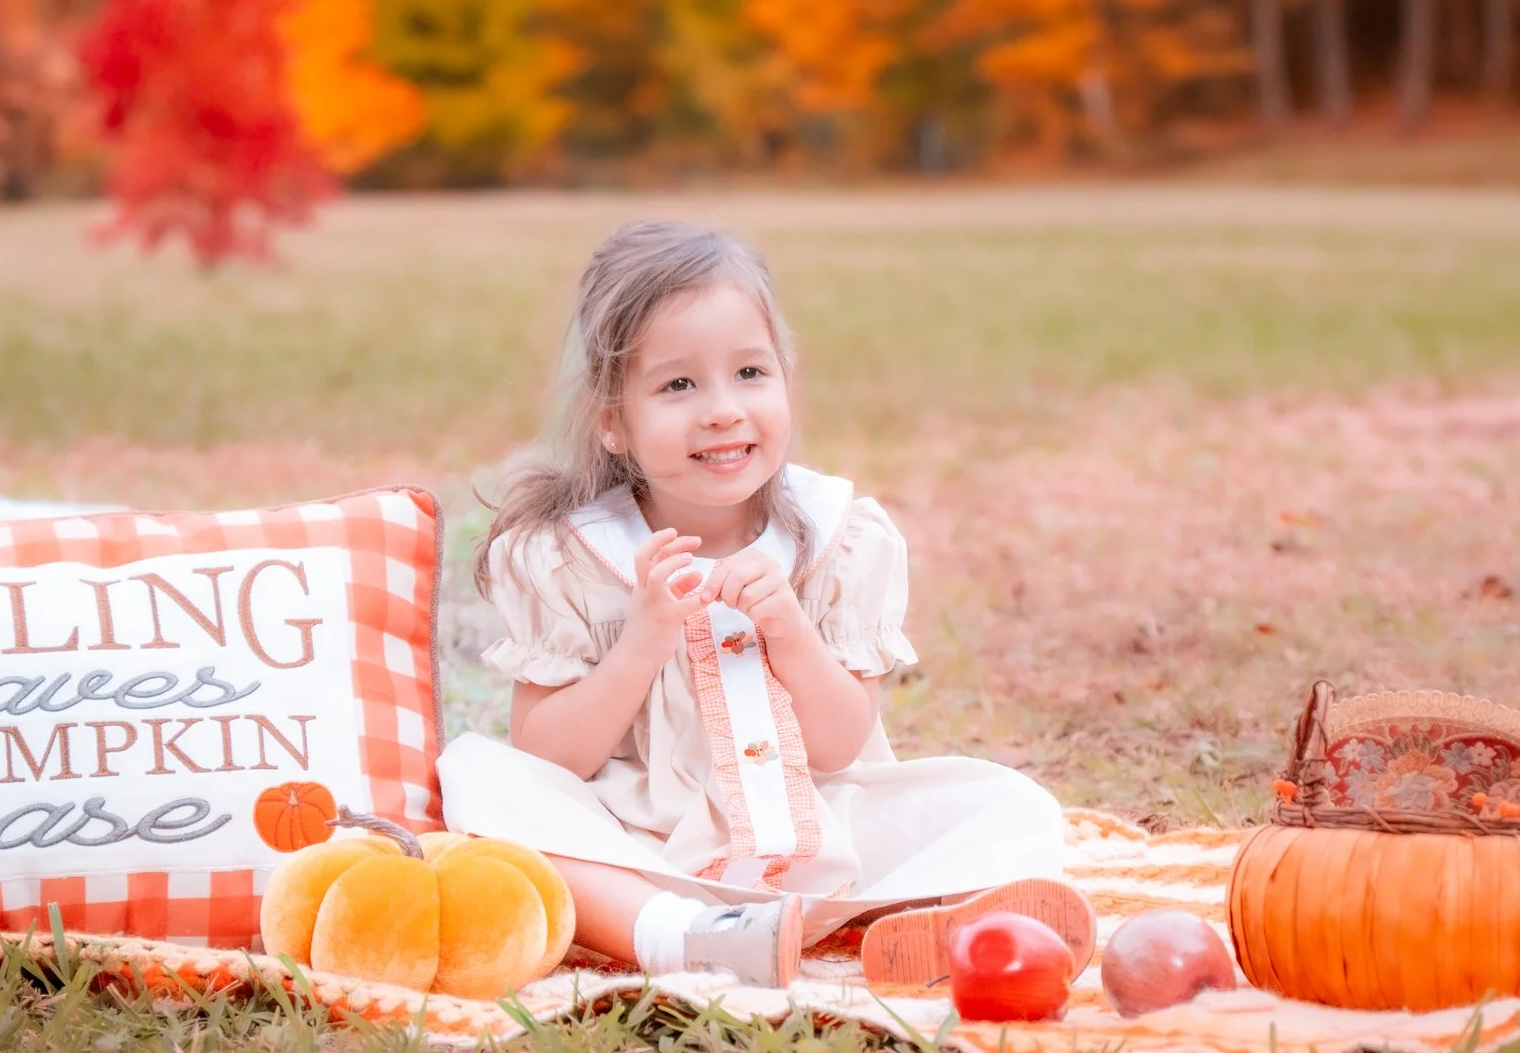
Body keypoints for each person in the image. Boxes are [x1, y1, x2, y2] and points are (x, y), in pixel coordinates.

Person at [437, 219, 1092, 988]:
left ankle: (933, 925)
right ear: (612, 418)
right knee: (477, 781)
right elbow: (549, 756)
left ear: (785, 378)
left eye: (750, 372)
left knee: (1010, 803)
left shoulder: (834, 539)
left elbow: (842, 745)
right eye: (678, 384)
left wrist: (789, 630)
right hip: (638, 851)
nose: (722, 410)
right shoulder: (570, 554)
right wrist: (643, 638)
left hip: (826, 842)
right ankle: (678, 935)